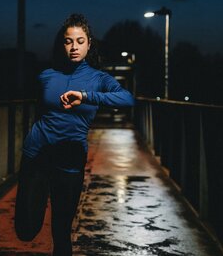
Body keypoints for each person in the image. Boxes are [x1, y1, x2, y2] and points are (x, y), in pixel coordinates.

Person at [14, 13, 135, 256]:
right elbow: (38, 109)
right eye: (69, 41)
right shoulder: (47, 75)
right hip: (37, 154)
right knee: (25, 229)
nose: (74, 47)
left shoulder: (98, 78)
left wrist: (86, 96)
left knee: (61, 230)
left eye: (80, 41)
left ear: (89, 43)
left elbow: (127, 99)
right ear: (62, 44)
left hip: (70, 159)